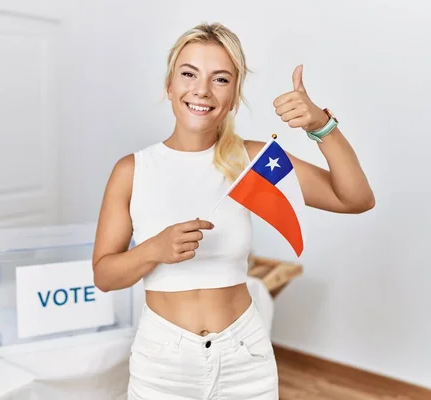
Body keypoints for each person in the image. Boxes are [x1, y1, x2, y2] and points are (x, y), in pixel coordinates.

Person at [92, 22, 374, 400]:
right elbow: (104, 276)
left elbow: (354, 199)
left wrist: (322, 126)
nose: (202, 90)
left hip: (245, 355)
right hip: (163, 363)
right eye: (189, 74)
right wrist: (153, 250)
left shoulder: (252, 160)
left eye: (220, 79)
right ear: (169, 85)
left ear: (234, 96)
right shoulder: (132, 170)